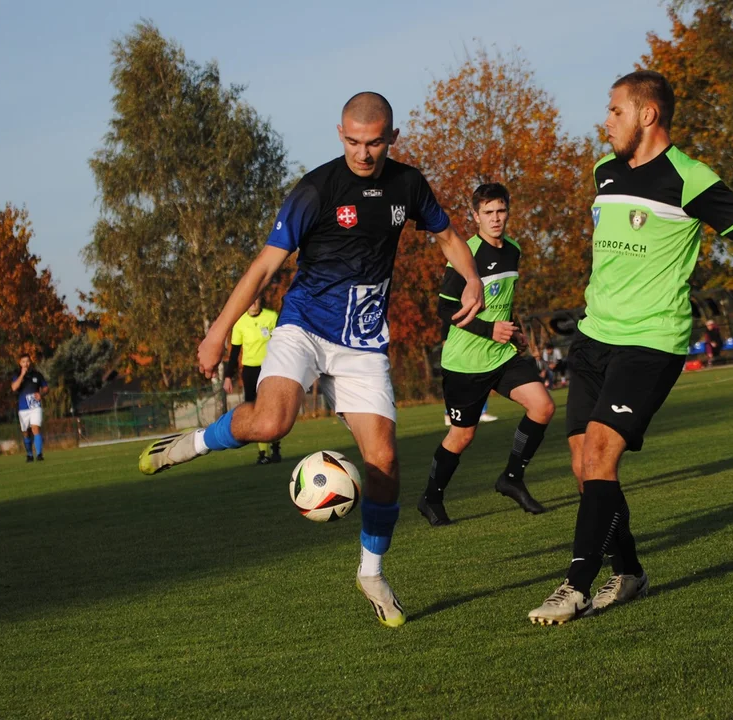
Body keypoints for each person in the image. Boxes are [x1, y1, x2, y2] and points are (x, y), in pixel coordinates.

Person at [138, 92, 484, 628]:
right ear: (339, 133)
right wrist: (217, 332)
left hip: (363, 340)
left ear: (392, 137)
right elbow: (262, 268)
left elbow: (448, 236)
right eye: (352, 141)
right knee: (273, 419)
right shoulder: (316, 189)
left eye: (373, 143)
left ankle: (371, 572)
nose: (362, 153)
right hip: (303, 325)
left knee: (386, 463)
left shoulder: (409, 184)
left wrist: (472, 279)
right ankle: (190, 444)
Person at [528, 70, 733, 625]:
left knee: (602, 455)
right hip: (593, 337)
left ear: (647, 115)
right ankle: (628, 574)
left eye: (615, 111)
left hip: (650, 342)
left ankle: (575, 584)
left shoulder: (691, 179)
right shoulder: (603, 171)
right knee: (584, 468)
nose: (606, 121)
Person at [419, 183, 554, 526]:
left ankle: (512, 477)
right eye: (488, 213)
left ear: (508, 211)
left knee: (543, 406)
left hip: (502, 355)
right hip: (465, 362)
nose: (496, 219)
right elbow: (443, 309)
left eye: (501, 211)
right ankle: (431, 498)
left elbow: (502, 304)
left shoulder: (513, 250)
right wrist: (488, 329)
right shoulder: (466, 254)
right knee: (462, 435)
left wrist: (513, 331)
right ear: (475, 216)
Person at [222, 296, 282, 464]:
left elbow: (281, 342)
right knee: (255, 410)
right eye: (250, 300)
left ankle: (276, 448)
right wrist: (228, 376)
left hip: (270, 368)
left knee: (273, 407)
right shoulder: (240, 323)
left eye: (256, 299)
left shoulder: (271, 317)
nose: (253, 302)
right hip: (250, 371)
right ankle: (263, 453)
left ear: (260, 300)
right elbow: (234, 353)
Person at [11, 353, 48, 462]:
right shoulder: (17, 375)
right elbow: (14, 388)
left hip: (35, 406)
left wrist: (41, 394)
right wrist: (22, 375)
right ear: (20, 363)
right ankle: (29, 454)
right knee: (26, 432)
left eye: (27, 361)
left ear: (30, 362)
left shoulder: (37, 374)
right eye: (23, 362)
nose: (26, 364)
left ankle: (39, 454)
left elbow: (46, 388)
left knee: (35, 428)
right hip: (23, 408)